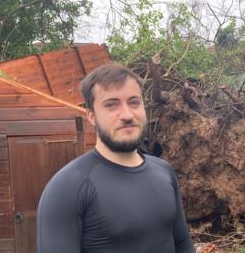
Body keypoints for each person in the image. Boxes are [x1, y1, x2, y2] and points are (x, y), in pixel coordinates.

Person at [37, 62, 195, 253]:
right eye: (111, 105)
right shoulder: (67, 187)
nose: (127, 115)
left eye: (134, 102)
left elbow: (183, 244)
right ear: (91, 116)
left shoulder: (164, 171)